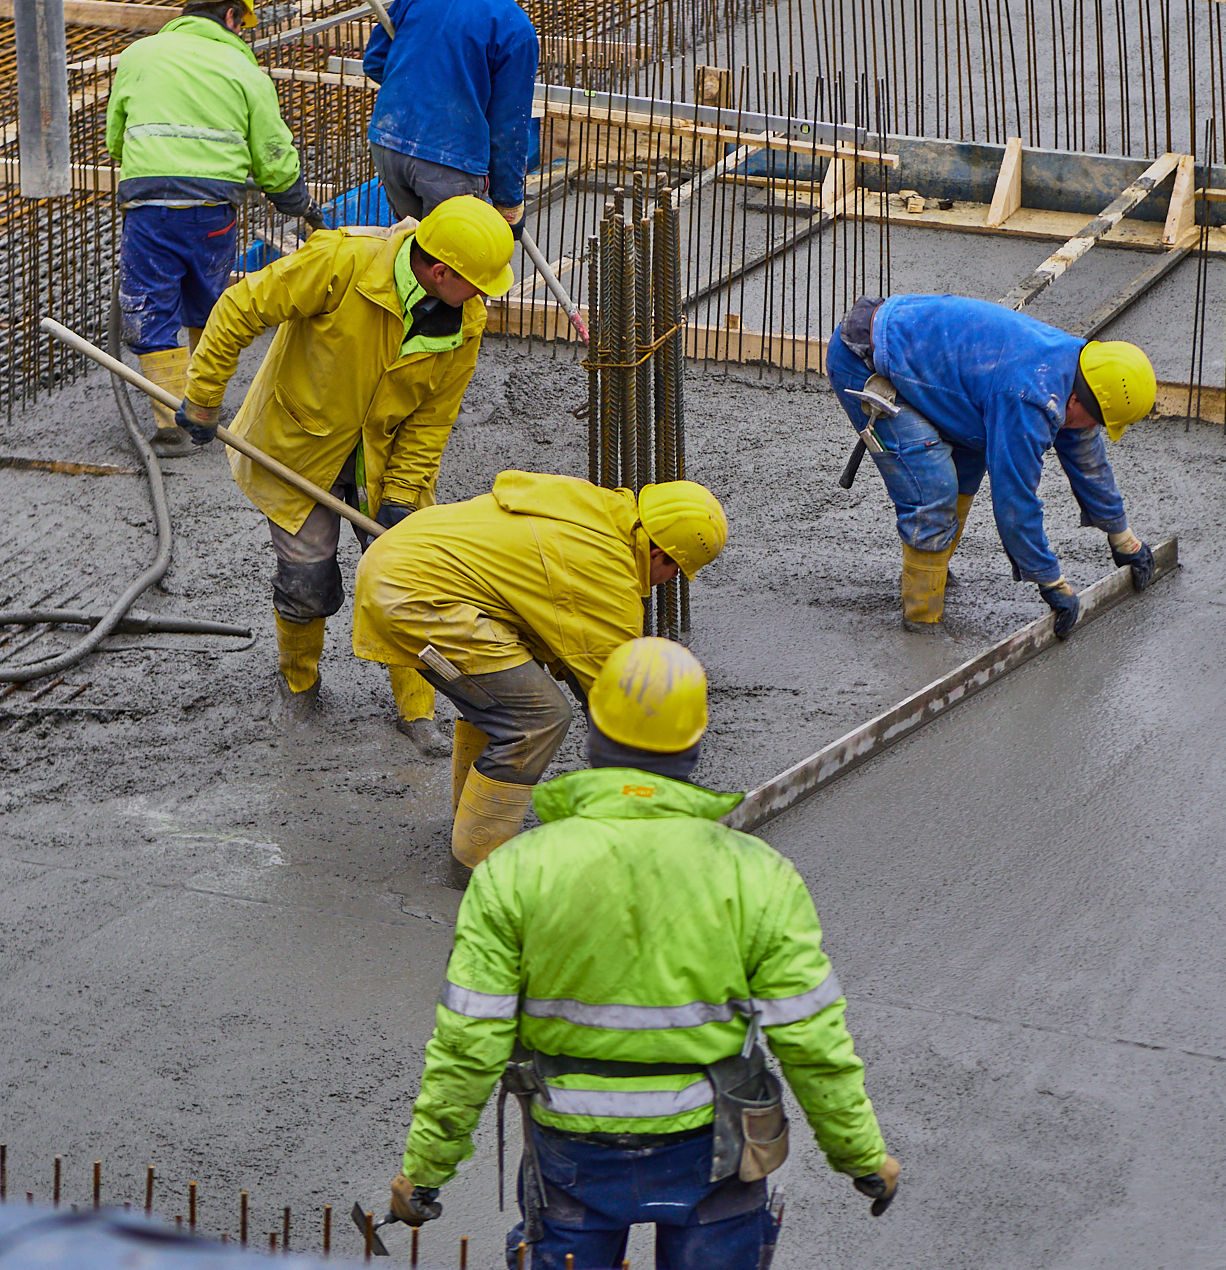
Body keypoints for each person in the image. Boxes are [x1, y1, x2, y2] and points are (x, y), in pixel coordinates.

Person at [384, 636, 900, 1269]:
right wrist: (862, 1156)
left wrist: (425, 1171)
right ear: (693, 744)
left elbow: (469, 1041)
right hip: (717, 1152)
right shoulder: (756, 875)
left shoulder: (518, 872)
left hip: (572, 1154)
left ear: (595, 733)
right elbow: (812, 1041)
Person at [172, 196, 515, 750]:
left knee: (414, 581)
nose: (483, 297)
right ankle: (299, 684)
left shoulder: (464, 321)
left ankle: (417, 707)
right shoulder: (343, 264)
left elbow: (432, 419)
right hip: (299, 447)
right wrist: (204, 396)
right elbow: (241, 306)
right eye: (477, 282)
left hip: (381, 457)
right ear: (441, 271)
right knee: (307, 581)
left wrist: (402, 495)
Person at [351, 472, 727, 868]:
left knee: (506, 693)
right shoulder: (607, 576)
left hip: (406, 557)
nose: (668, 582)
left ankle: (469, 815)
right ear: (658, 555)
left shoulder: (597, 508)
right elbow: (618, 696)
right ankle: (475, 862)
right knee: (535, 719)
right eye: (675, 572)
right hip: (415, 597)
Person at [828, 294, 1158, 636]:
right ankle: (922, 620)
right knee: (933, 489)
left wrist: (1124, 539)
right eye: (1095, 421)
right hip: (863, 358)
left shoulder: (1079, 373)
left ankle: (931, 567)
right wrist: (1051, 581)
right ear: (1077, 400)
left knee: (967, 465)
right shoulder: (1029, 397)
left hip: (922, 355)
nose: (1092, 429)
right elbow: (1015, 501)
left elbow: (1088, 460)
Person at [104, 0, 321, 456]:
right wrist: (297, 202)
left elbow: (116, 138)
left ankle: (170, 422)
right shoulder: (244, 70)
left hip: (148, 202)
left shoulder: (139, 55)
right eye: (243, 22)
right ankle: (203, 404)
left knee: (151, 302)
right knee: (209, 301)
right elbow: (271, 154)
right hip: (210, 209)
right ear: (230, 16)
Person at [360, 0, 547, 228]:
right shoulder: (516, 27)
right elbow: (508, 127)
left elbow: (376, 61)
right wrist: (509, 202)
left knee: (410, 252)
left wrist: (423, 96)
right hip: (451, 164)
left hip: (388, 143)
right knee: (452, 266)